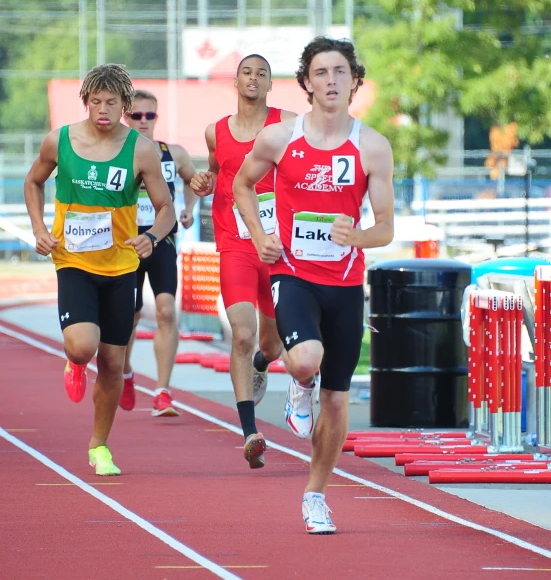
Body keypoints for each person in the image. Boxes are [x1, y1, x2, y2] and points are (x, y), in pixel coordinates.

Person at [233, 37, 394, 533]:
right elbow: (242, 184)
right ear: (306, 83)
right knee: (305, 359)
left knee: (339, 401)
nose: (331, 81)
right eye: (321, 72)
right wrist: (260, 236)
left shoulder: (372, 146)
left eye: (340, 72)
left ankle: (315, 496)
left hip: (345, 282)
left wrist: (358, 234)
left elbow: (386, 227)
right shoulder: (279, 138)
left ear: (354, 82)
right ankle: (299, 383)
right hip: (293, 273)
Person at [24, 64, 176, 477]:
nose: (103, 110)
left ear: (124, 106)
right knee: (82, 346)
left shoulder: (141, 150)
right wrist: (39, 228)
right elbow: (33, 182)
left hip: (121, 266)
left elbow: (166, 209)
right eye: (96, 102)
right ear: (86, 102)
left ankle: (100, 446)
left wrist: (154, 237)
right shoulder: (60, 141)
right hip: (73, 260)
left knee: (112, 363)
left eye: (112, 103)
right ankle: (74, 362)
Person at [190, 54, 297, 470]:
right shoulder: (215, 131)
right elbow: (216, 172)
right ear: (235, 82)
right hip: (235, 244)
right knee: (240, 334)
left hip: (276, 248)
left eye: (262, 73)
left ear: (271, 84)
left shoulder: (288, 123)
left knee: (270, 345)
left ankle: (260, 365)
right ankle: (250, 431)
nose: (253, 78)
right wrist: (202, 181)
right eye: (246, 73)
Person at [119, 90, 198, 416]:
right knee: (129, 317)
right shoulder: (115, 152)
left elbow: (195, 180)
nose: (142, 121)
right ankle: (124, 373)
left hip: (161, 239)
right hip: (125, 243)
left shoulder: (173, 154)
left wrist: (189, 209)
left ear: (156, 118)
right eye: (136, 116)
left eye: (148, 116)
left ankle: (162, 391)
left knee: (167, 312)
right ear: (126, 118)